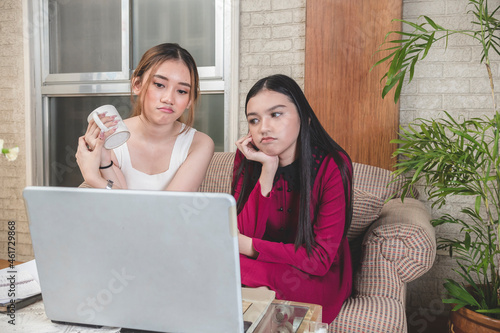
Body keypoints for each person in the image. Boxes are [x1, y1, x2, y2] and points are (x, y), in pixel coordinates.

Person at [232, 74, 353, 323]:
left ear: (304, 117)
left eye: (276, 114)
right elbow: (239, 233)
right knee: (214, 267)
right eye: (254, 120)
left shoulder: (333, 165)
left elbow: (319, 259)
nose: (263, 128)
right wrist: (267, 170)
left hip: (315, 275)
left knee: (230, 271)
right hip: (264, 265)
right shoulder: (249, 157)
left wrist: (250, 246)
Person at [76, 43, 214, 191]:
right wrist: (104, 161)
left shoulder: (199, 144)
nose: (169, 99)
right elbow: (117, 209)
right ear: (137, 84)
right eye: (160, 85)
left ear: (190, 101)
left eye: (181, 91)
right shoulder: (114, 138)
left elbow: (169, 210)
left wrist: (93, 178)